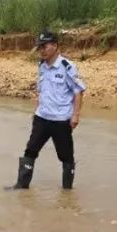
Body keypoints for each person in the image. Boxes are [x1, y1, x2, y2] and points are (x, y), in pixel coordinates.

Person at [8, 30, 85, 190]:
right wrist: (36, 110)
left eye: (44, 46)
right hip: (42, 118)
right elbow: (42, 90)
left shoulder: (67, 67)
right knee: (30, 151)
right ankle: (21, 186)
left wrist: (76, 115)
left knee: (66, 157)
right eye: (39, 47)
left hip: (61, 121)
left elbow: (78, 91)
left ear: (55, 46)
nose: (41, 50)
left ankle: (67, 192)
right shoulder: (41, 66)